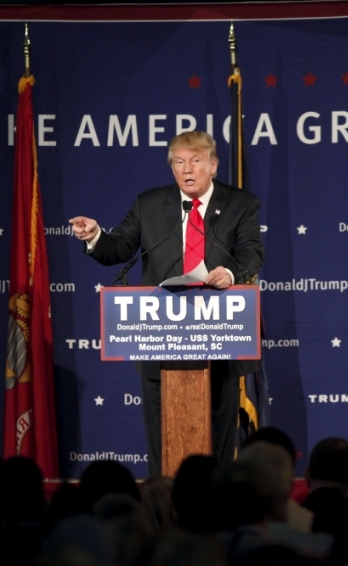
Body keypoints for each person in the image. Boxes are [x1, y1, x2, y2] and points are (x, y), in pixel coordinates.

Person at [70, 130, 264, 476]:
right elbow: (118, 248)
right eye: (178, 162)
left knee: (217, 442)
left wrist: (230, 274)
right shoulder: (149, 204)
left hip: (220, 338)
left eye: (195, 161)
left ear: (213, 165)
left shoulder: (240, 204)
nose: (187, 169)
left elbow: (251, 251)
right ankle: (164, 510)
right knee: (164, 443)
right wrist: (96, 236)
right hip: (162, 341)